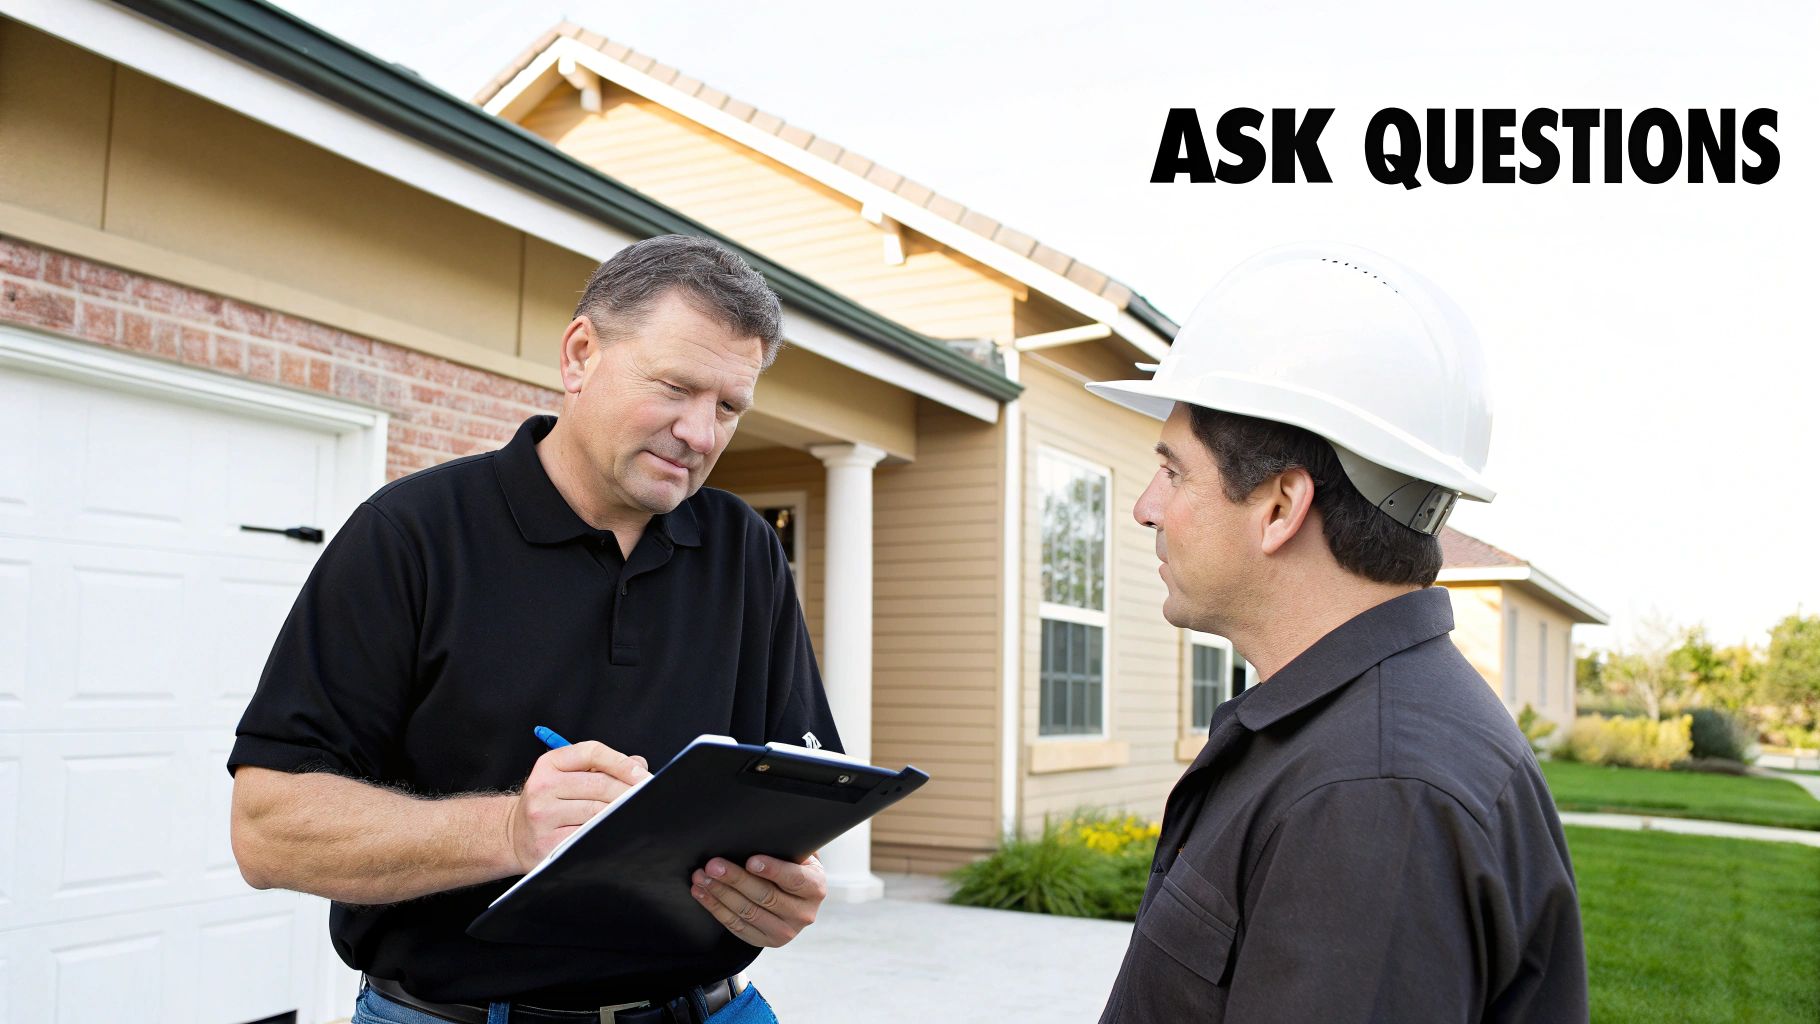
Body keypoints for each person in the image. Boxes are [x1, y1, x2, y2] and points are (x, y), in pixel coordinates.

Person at [228, 234, 839, 1024]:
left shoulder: (745, 549)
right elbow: (268, 831)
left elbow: (793, 788)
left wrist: (785, 887)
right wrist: (511, 829)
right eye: (676, 387)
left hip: (712, 1009)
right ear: (581, 354)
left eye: (728, 406)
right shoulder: (410, 535)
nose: (701, 433)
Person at [1088, 243, 1588, 1022]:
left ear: (1282, 507)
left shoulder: (1370, 798)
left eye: (1176, 472)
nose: (1146, 507)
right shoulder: (1343, 740)